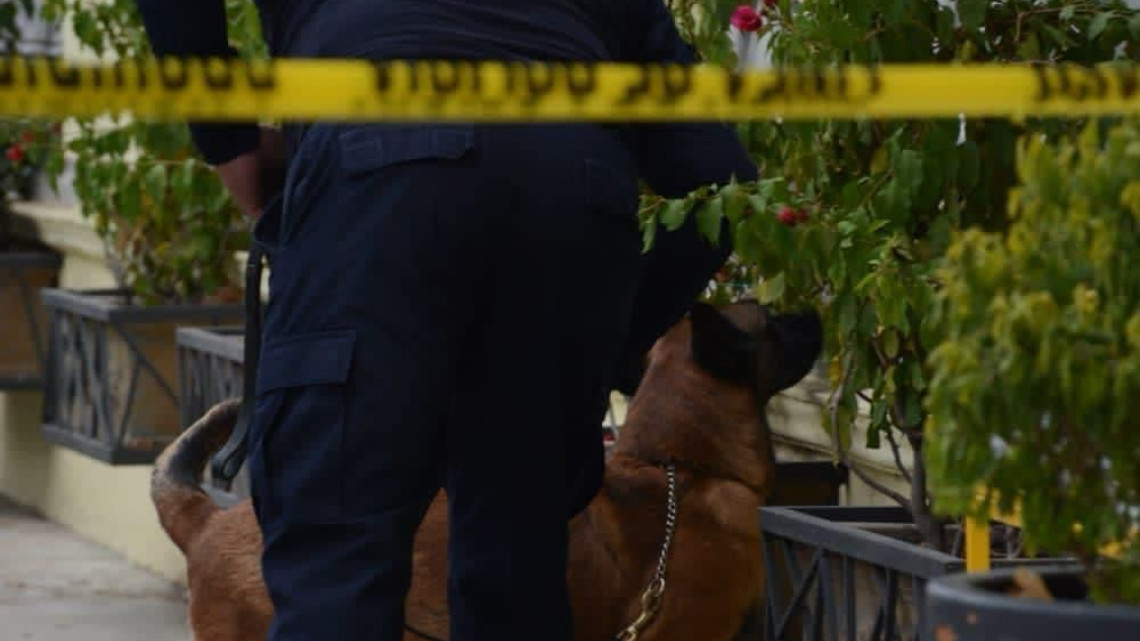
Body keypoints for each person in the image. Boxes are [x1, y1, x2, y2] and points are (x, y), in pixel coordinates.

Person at [132, 1, 757, 640]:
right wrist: (603, 343)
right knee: (517, 571)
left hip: (379, 171)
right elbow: (718, 182)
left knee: (336, 561)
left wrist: (228, 141)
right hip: (569, 189)